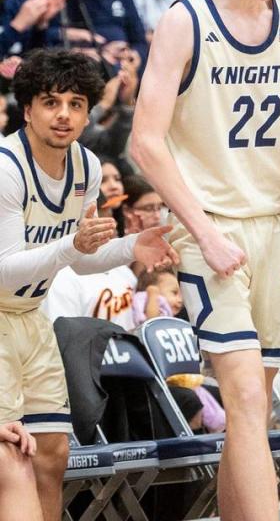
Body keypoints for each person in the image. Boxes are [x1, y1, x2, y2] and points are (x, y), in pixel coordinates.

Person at [130, 0, 280, 519]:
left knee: (255, 406)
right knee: (242, 398)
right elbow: (144, 141)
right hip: (209, 226)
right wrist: (203, 232)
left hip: (275, 230)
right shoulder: (185, 21)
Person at [0, 49, 177, 521]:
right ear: (28, 108)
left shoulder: (86, 167)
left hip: (31, 318)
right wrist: (70, 247)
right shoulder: (6, 168)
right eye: (50, 102)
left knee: (53, 454)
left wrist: (132, 247)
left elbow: (80, 261)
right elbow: (6, 268)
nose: (64, 115)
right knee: (8, 463)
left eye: (76, 103)